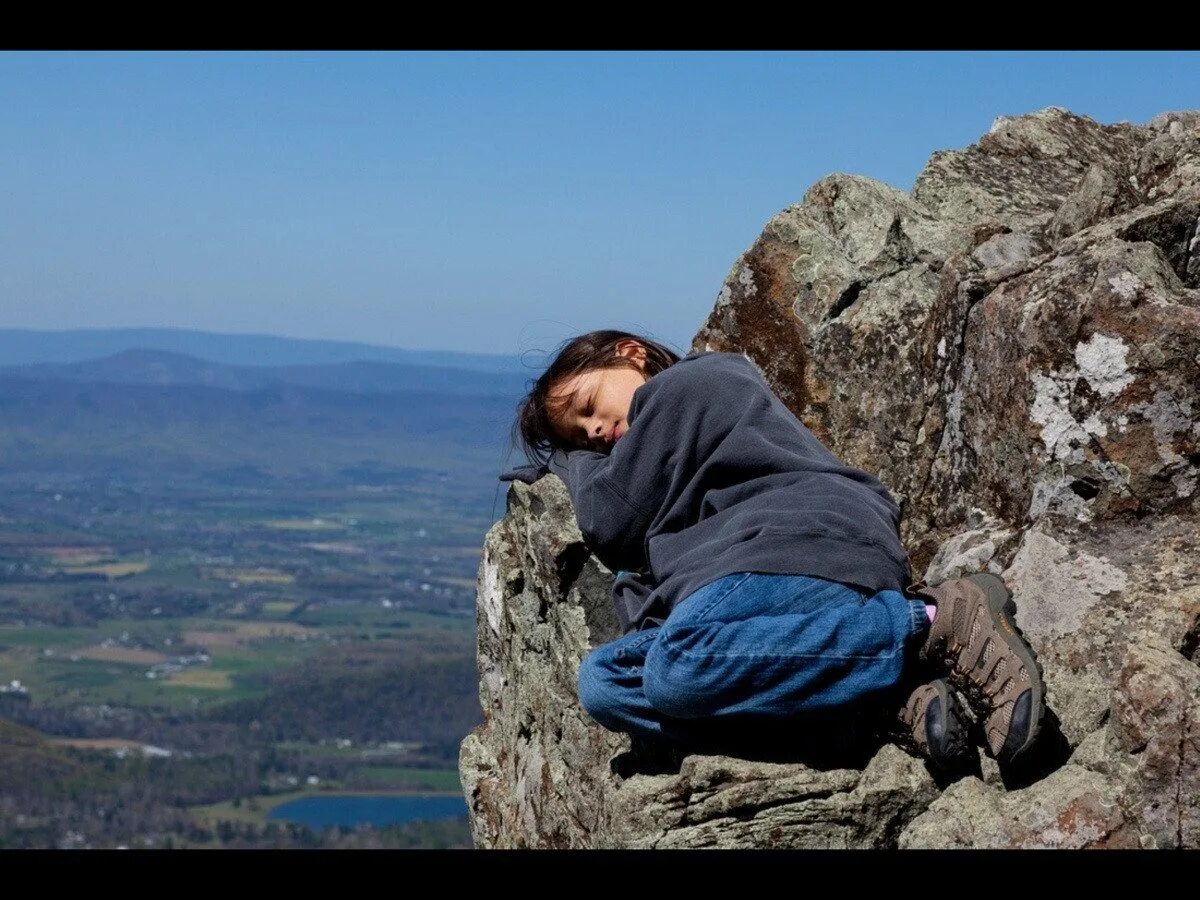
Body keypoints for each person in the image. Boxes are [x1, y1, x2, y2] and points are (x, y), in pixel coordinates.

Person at [500, 330, 1046, 769]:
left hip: (798, 540)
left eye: (589, 406)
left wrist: (563, 463)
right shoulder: (658, 438)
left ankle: (931, 621)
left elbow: (609, 517)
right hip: (744, 572)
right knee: (606, 685)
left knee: (676, 670)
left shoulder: (691, 384)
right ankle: (869, 705)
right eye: (578, 436)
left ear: (631, 354)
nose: (594, 431)